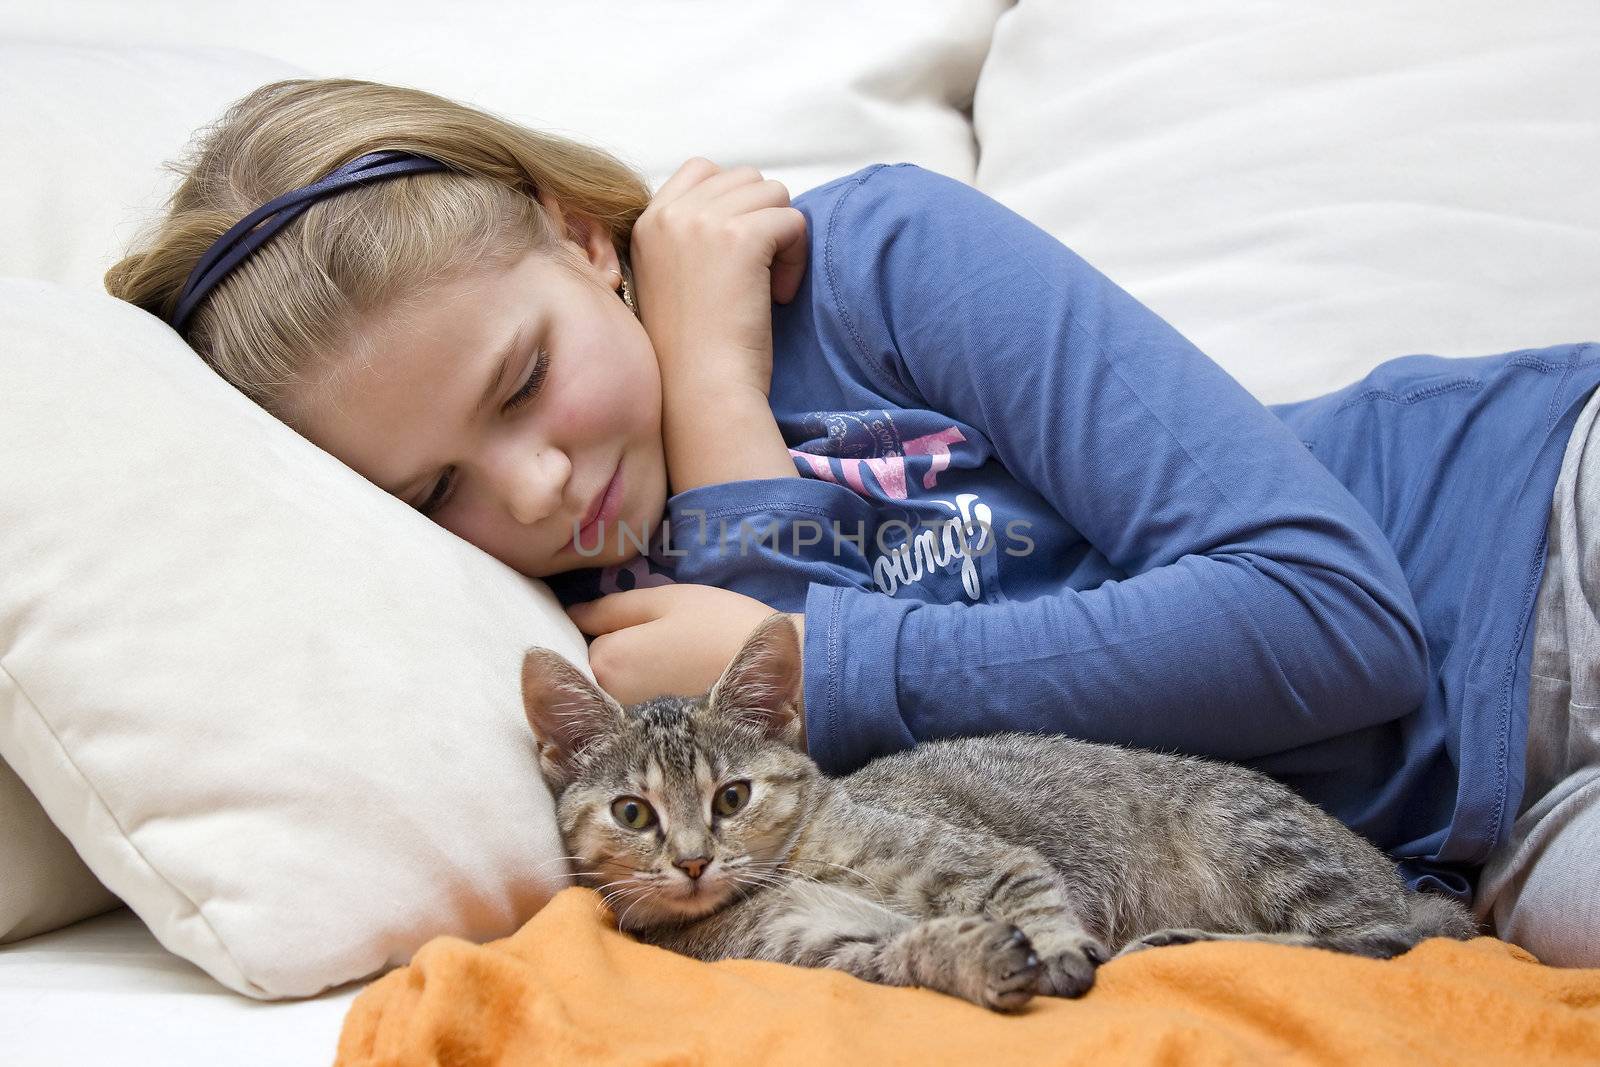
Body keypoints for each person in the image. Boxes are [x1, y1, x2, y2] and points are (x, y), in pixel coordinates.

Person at [104, 78, 1598, 967]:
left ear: (581, 239)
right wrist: (722, 436)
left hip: (1528, 530)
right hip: (1464, 838)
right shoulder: (605, 645)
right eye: (437, 492)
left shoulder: (879, 260)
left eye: (526, 381)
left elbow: (1334, 622)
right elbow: (816, 808)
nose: (536, 492)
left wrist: (810, 632)